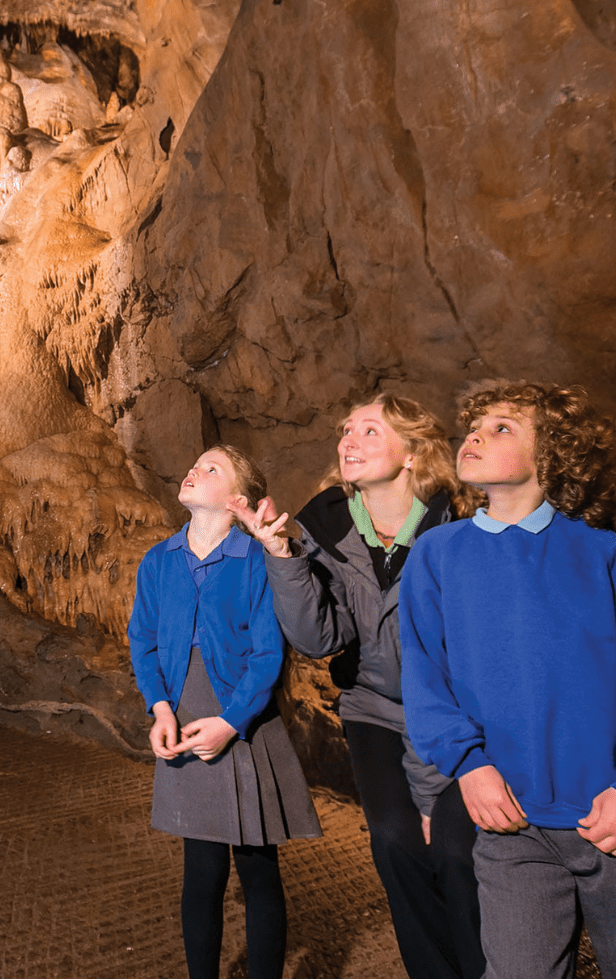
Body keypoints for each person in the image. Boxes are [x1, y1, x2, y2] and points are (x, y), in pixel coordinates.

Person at [401, 380, 616, 979]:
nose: (475, 435)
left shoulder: (607, 555)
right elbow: (425, 678)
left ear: (553, 456)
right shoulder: (437, 555)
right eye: (474, 426)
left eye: (503, 428)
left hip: (612, 818)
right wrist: (468, 766)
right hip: (508, 824)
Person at [240, 394, 484, 979]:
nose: (349, 440)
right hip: (373, 707)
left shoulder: (461, 525)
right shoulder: (329, 527)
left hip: (456, 716)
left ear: (412, 453)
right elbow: (320, 639)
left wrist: (431, 787)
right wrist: (282, 556)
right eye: (346, 430)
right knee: (396, 845)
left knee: (456, 853)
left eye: (370, 432)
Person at [128, 445, 320, 979]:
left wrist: (233, 723)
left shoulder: (255, 560)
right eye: (194, 463)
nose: (193, 469)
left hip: (243, 720)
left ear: (238, 499)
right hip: (185, 716)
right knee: (202, 870)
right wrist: (161, 708)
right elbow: (141, 640)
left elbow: (268, 655)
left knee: (258, 868)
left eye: (211, 468)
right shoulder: (158, 560)